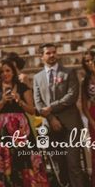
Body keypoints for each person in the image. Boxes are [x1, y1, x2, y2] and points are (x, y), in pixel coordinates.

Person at [33, 43, 88, 187]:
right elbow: (38, 102)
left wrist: (51, 108)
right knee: (58, 165)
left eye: (54, 52)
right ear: (41, 56)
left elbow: (72, 96)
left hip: (71, 126)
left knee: (73, 164)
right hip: (50, 127)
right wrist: (51, 119)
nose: (52, 55)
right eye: (48, 53)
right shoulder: (37, 78)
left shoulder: (69, 72)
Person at [0, 58, 48, 186]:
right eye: (2, 71)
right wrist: (3, 101)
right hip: (2, 130)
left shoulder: (23, 87)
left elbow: (32, 110)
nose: (5, 73)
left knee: (24, 160)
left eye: (8, 70)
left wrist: (19, 101)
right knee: (6, 162)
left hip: (21, 129)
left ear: (13, 71)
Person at [80, 49, 95, 187]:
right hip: (93, 114)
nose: (90, 63)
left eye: (92, 59)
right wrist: (91, 121)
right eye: (87, 61)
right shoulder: (86, 80)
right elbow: (84, 105)